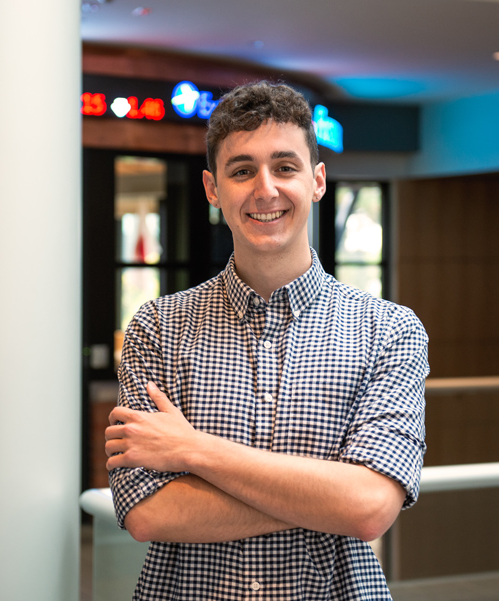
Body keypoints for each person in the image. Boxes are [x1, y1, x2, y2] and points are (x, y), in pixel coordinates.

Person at [105, 81, 429, 600]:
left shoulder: (388, 331)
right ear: (213, 189)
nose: (265, 189)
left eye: (284, 167)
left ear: (317, 180)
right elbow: (148, 512)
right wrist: (324, 497)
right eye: (242, 170)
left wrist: (195, 451)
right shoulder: (158, 327)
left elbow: (369, 509)